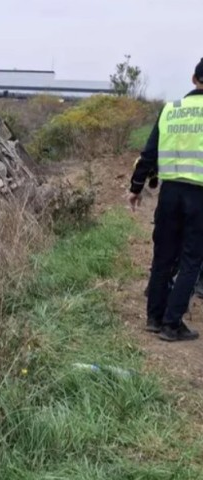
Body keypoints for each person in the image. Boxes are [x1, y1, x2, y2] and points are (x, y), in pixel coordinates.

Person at [129, 58, 203, 342]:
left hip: (170, 193)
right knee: (191, 260)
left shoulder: (170, 110)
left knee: (163, 256)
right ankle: (172, 324)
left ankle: (154, 317)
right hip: (199, 196)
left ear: (193, 78)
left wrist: (136, 187)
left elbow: (149, 154)